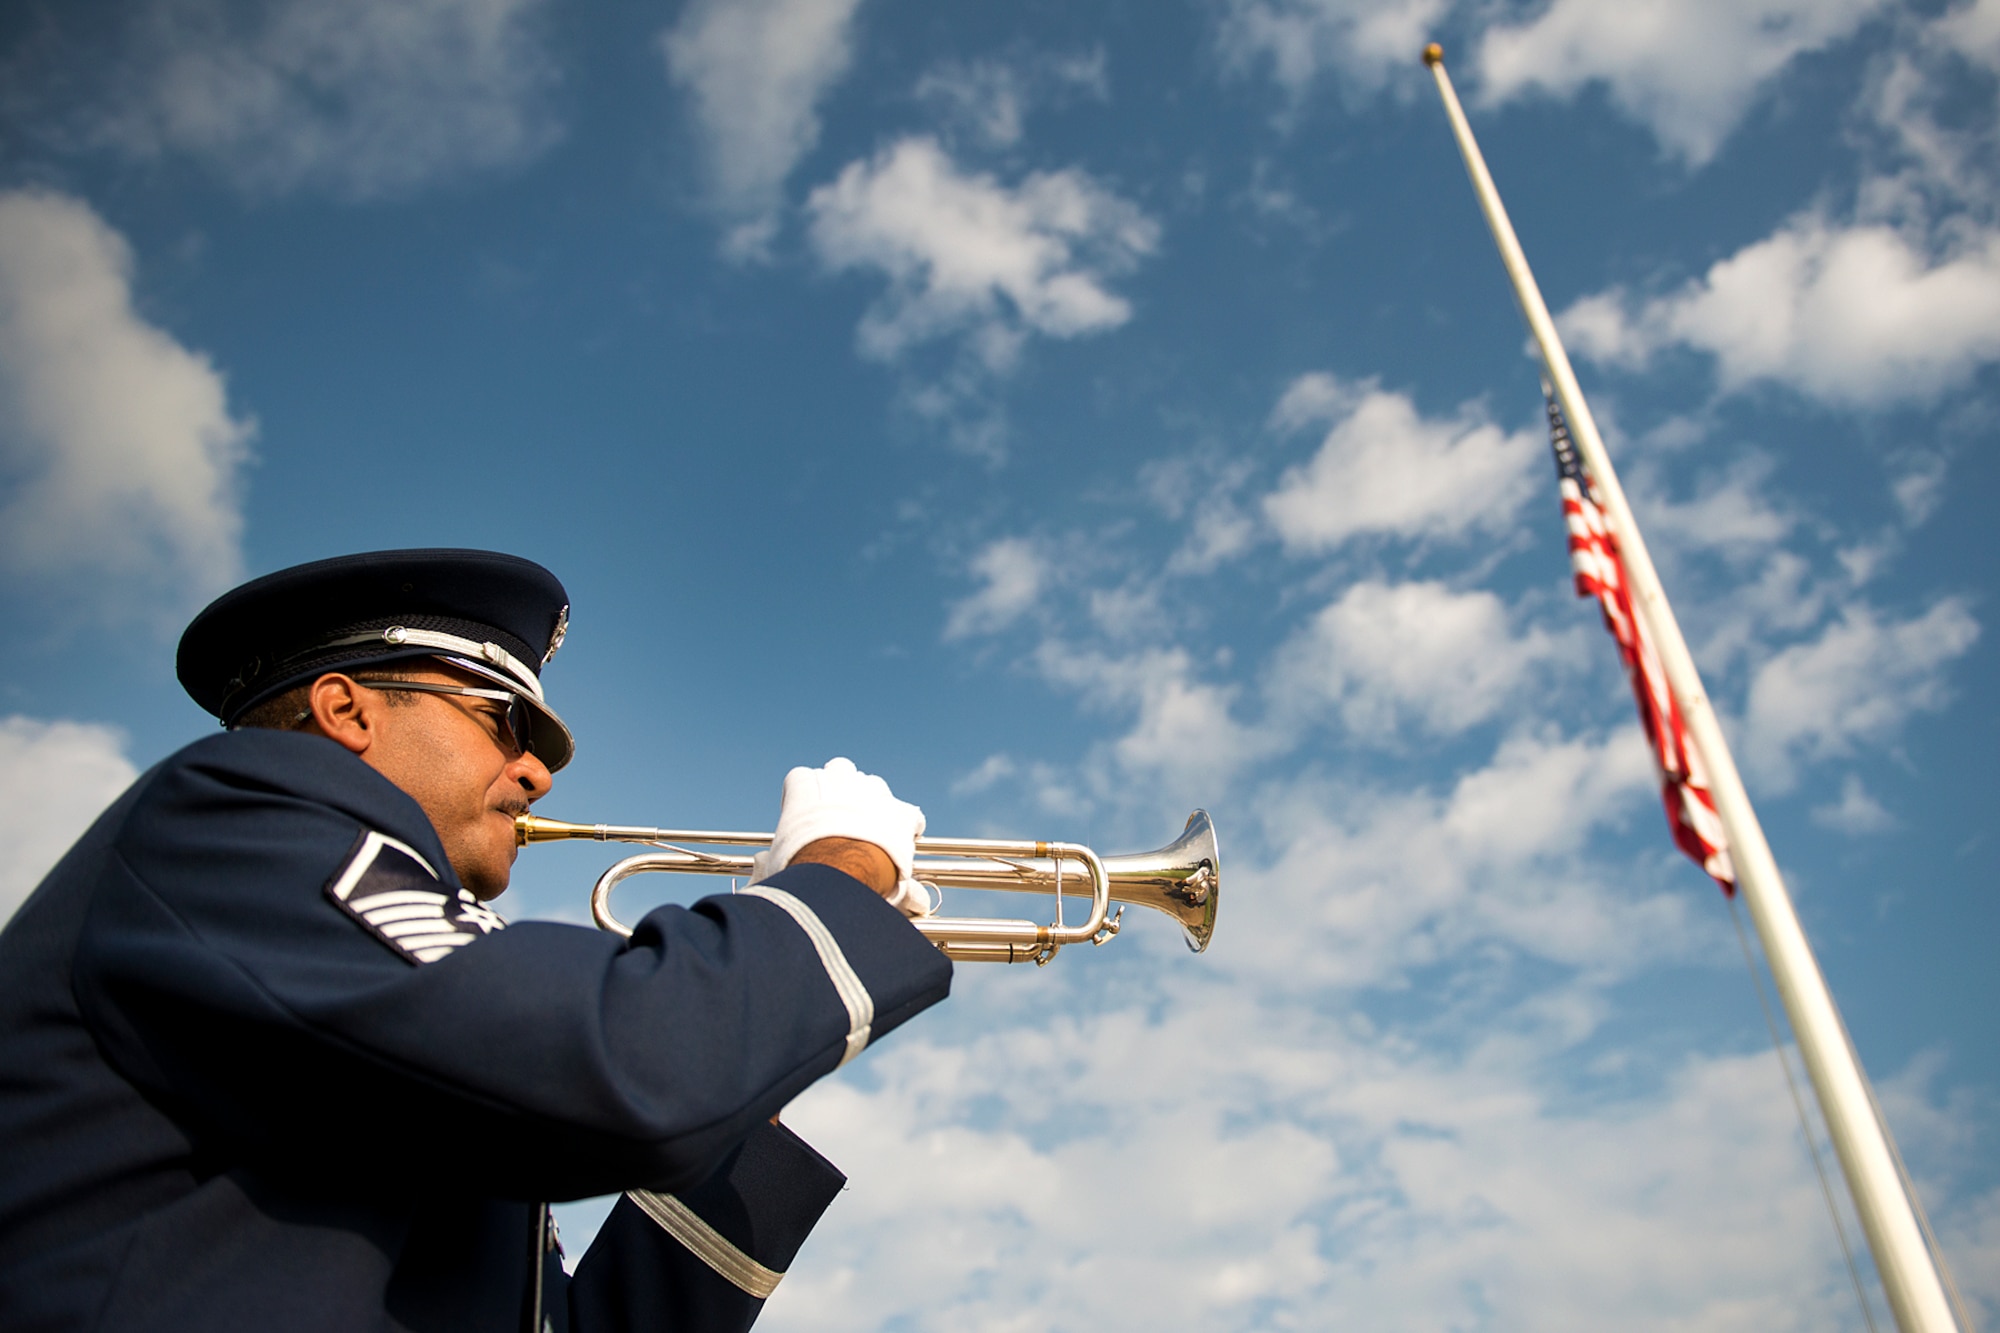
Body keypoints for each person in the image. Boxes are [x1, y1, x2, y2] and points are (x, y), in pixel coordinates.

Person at [0, 549, 952, 1333]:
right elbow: (620, 1070)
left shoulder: (372, 1005)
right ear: (348, 711)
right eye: (504, 720)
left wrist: (764, 1041)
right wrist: (832, 881)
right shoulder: (234, 810)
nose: (535, 769)